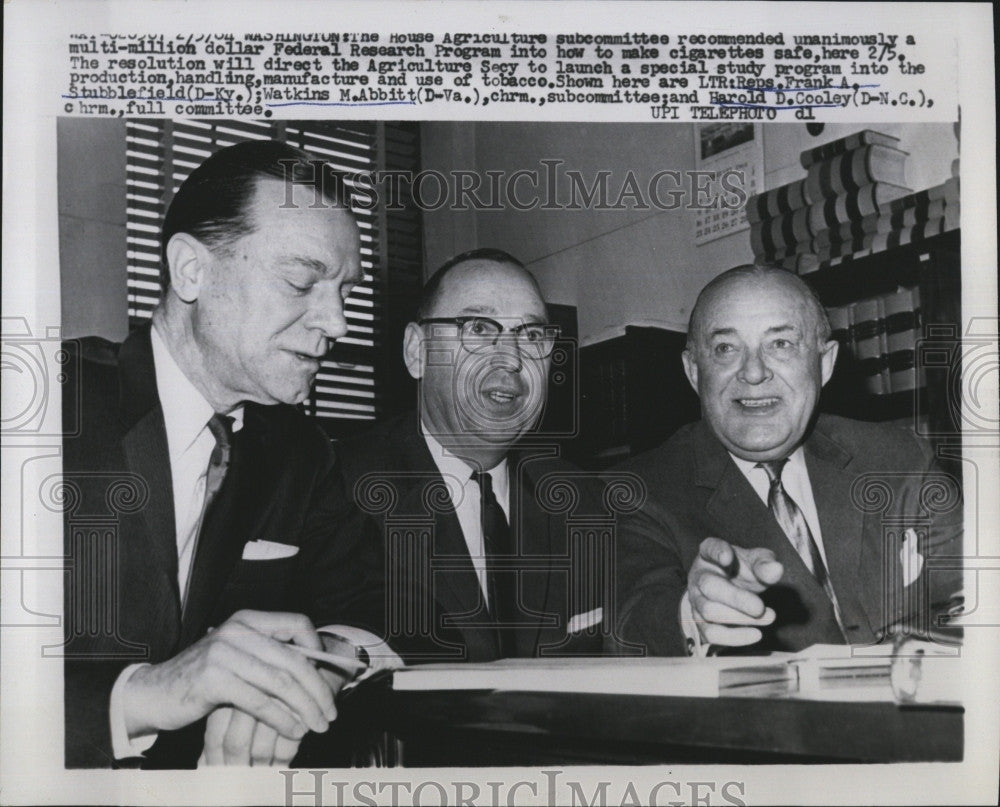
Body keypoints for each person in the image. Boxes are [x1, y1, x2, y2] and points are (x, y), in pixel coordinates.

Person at [60, 140, 388, 768]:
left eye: (345, 289)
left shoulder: (302, 454)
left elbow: (370, 610)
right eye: (301, 281)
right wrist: (138, 697)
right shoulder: (43, 408)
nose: (339, 322)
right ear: (191, 270)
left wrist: (312, 665)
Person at [614, 264, 963, 655]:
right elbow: (629, 624)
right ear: (694, 372)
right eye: (726, 348)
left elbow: (974, 595)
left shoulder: (898, 457)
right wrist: (688, 616)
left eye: (780, 344)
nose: (753, 372)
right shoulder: (638, 491)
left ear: (825, 363)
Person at [336, 249, 607, 662]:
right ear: (417, 351)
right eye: (479, 328)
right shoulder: (337, 491)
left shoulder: (585, 500)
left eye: (532, 336)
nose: (511, 359)